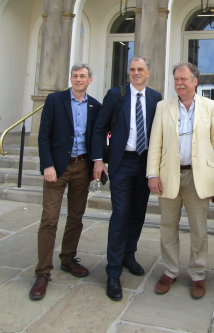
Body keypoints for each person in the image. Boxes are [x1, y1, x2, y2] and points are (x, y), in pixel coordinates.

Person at [147, 62, 214, 299]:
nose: (179, 83)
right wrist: (153, 174)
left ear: (195, 81)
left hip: (196, 177)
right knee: (168, 227)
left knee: (199, 229)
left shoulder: (209, 106)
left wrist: (199, 158)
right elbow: (155, 143)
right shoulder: (163, 106)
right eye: (176, 79)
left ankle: (198, 275)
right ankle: (170, 270)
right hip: (168, 175)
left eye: (184, 79)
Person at [91, 56, 162, 301]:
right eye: (132, 69)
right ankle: (112, 273)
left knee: (138, 214)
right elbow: (100, 127)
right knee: (120, 214)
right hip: (121, 163)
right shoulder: (115, 94)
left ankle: (128, 255)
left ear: (148, 73)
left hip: (145, 164)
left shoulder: (156, 98)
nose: (135, 73)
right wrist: (98, 159)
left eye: (140, 69)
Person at [29, 63, 101, 300]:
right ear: (71, 78)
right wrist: (47, 165)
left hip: (82, 167)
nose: (78, 79)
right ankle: (42, 273)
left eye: (82, 76)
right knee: (49, 219)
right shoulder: (55, 100)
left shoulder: (95, 106)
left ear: (90, 80)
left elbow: (97, 138)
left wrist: (96, 165)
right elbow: (43, 136)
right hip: (57, 169)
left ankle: (68, 259)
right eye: (75, 76)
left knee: (76, 217)